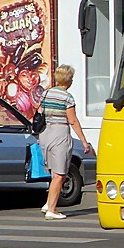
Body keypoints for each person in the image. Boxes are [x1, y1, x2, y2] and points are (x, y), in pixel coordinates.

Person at [40, 65, 94, 220]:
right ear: (69, 80)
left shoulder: (46, 93)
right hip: (59, 133)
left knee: (53, 172)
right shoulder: (67, 97)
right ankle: (52, 209)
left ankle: (49, 202)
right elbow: (73, 120)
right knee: (59, 174)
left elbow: (39, 113)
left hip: (45, 133)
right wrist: (84, 141)